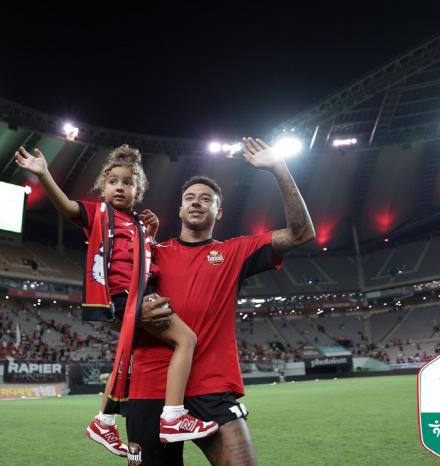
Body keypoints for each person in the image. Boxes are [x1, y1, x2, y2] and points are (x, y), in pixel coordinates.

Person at [15, 144, 217, 457]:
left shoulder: (136, 224)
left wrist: (150, 234)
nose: (119, 187)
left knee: (124, 358)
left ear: (138, 192)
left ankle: (104, 420)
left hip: (137, 296)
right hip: (123, 297)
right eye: (112, 181)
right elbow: (68, 206)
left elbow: (147, 264)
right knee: (186, 339)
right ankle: (174, 416)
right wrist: (43, 174)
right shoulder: (100, 214)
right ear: (102, 188)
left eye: (127, 182)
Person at [125, 137, 316, 466]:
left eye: (206, 199)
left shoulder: (236, 251)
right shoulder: (152, 252)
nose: (196, 202)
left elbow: (301, 234)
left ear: (219, 211)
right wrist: (135, 313)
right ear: (181, 209)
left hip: (210, 385)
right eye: (189, 198)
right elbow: (114, 310)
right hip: (149, 385)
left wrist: (279, 168)